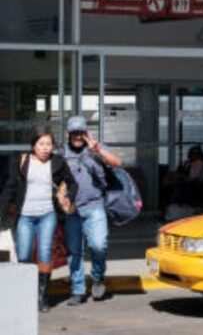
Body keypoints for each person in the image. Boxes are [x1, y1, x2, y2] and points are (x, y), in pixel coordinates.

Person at [0, 131, 77, 312]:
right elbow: (10, 188)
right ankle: (26, 293)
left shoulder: (58, 162)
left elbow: (72, 183)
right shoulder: (22, 162)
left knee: (44, 253)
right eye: (41, 144)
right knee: (24, 254)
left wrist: (69, 196)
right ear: (34, 145)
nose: (45, 148)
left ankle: (42, 297)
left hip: (47, 215)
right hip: (25, 216)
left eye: (48, 144)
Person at [62, 115, 123, 305]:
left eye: (81, 132)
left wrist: (98, 150)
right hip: (71, 209)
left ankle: (97, 278)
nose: (78, 137)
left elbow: (118, 163)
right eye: (74, 133)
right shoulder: (61, 152)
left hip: (94, 205)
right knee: (74, 251)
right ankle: (78, 289)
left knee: (99, 245)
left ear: (86, 132)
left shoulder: (95, 148)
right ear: (68, 134)